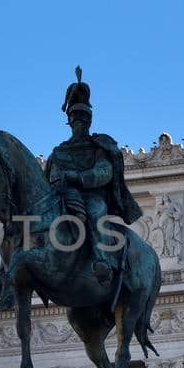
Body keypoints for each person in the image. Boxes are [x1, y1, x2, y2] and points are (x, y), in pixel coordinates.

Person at [45, 68, 142, 288]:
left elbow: (103, 173)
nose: (79, 123)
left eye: (83, 119)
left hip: (91, 196)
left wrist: (75, 177)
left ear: (89, 121)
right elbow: (47, 178)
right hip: (61, 196)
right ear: (69, 122)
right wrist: (57, 181)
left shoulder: (99, 146)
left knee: (96, 212)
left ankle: (101, 260)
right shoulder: (58, 152)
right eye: (75, 119)